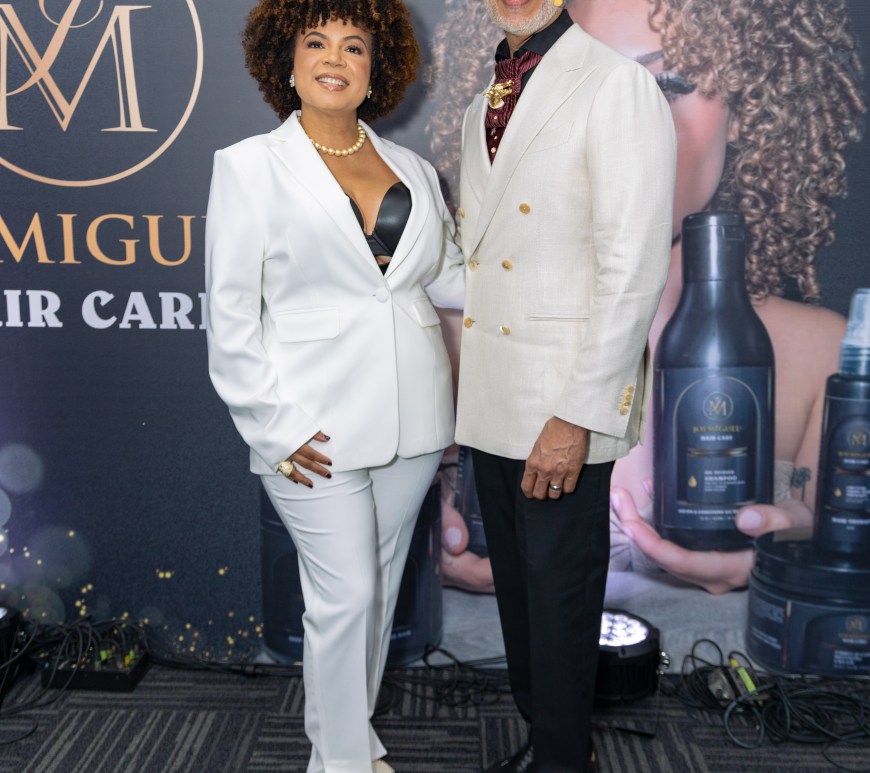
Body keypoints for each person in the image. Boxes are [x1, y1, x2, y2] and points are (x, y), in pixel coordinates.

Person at [437, 0, 865, 597]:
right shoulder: (446, 339)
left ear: (742, 106)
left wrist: (801, 565)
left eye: (668, 85)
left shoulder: (827, 365)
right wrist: (405, 529)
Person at [204, 2, 464, 770]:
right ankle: (345, 761)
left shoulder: (415, 171)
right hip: (308, 426)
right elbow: (229, 317)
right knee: (345, 594)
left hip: (414, 417)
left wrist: (543, 269)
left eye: (354, 46)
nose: (333, 58)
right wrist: (274, 427)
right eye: (315, 41)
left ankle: (346, 743)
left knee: (371, 593)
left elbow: (450, 279)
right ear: (285, 61)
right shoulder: (249, 167)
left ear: (375, 68)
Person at [455, 2, 676, 772]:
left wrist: (577, 415)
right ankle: (553, 743)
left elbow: (633, 270)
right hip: (492, 398)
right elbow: (480, 257)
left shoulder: (616, 85)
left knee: (558, 612)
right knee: (523, 609)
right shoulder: (482, 100)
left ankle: (563, 759)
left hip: (559, 405)